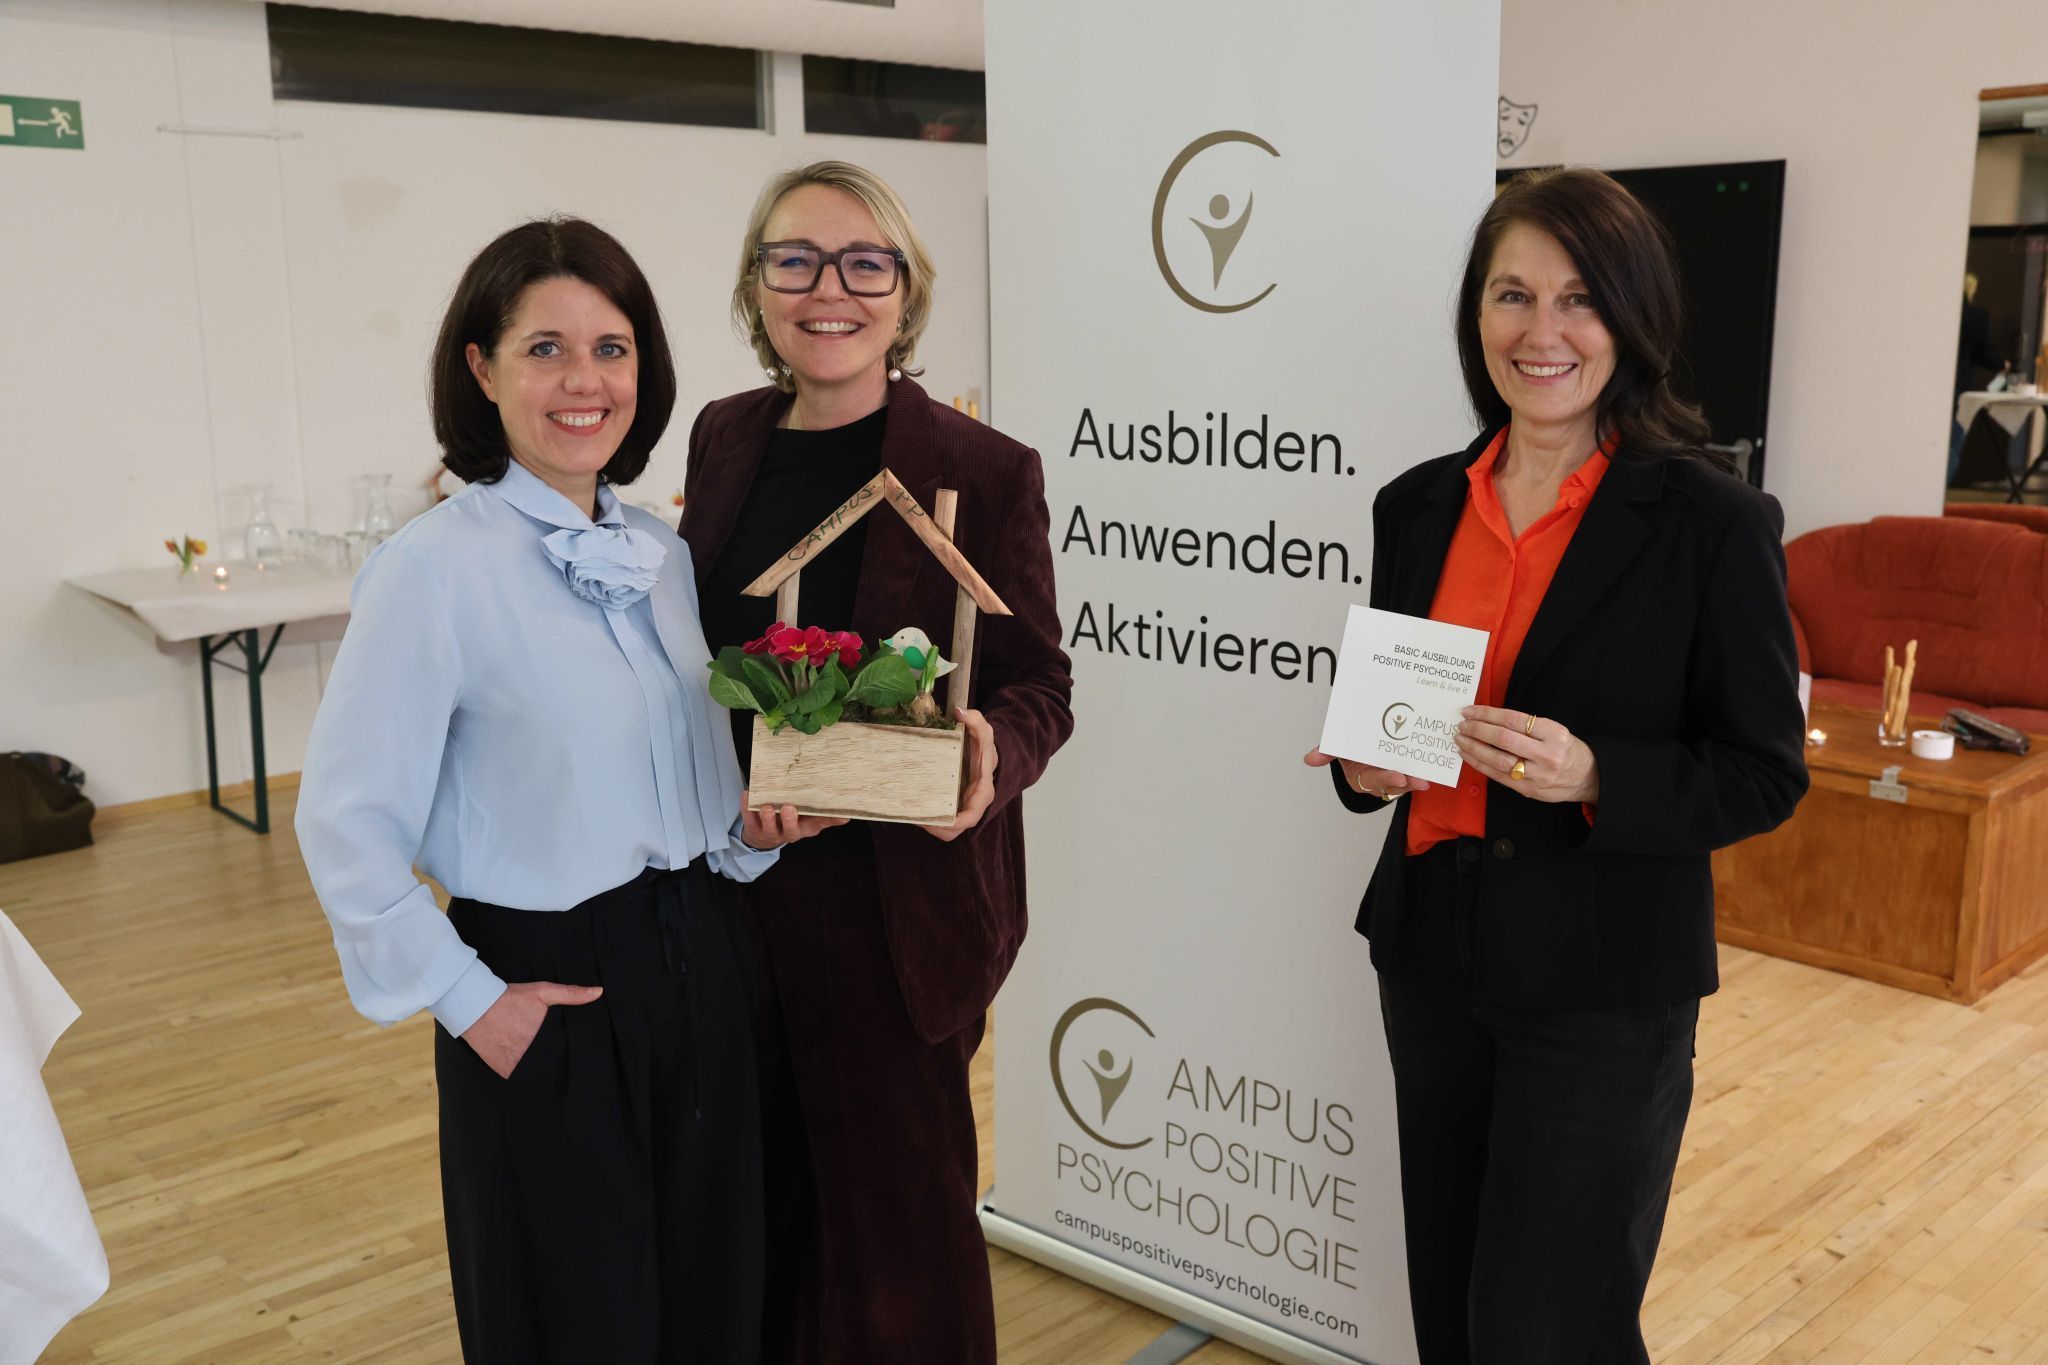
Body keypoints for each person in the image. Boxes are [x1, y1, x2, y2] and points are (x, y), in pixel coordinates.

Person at [296, 216, 837, 1363]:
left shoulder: (662, 555)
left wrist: (752, 835)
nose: (583, 381)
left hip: (706, 967)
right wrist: (470, 1003)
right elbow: (344, 826)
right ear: (480, 370)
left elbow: (679, 787)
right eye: (544, 349)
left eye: (611, 348)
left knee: (716, 1307)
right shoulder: (431, 570)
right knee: (574, 1326)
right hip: (547, 989)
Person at [1304, 168, 1808, 1363]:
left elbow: (1762, 770)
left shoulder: (1711, 522)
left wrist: (1594, 777)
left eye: (1578, 299)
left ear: (1632, 318)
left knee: (1550, 1331)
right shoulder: (1415, 506)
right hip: (1429, 954)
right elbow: (1385, 726)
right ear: (1474, 314)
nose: (1541, 332)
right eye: (1511, 295)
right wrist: (1362, 769)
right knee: (1449, 1314)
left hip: (1600, 984)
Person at [680, 161, 1073, 1363]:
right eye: (793, 260)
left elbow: (1039, 686)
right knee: (760, 1220)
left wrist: (987, 756)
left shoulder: (983, 468)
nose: (828, 290)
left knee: (901, 1250)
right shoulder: (724, 436)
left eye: (864, 263)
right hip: (735, 899)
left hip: (897, 919)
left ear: (906, 291)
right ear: (756, 287)